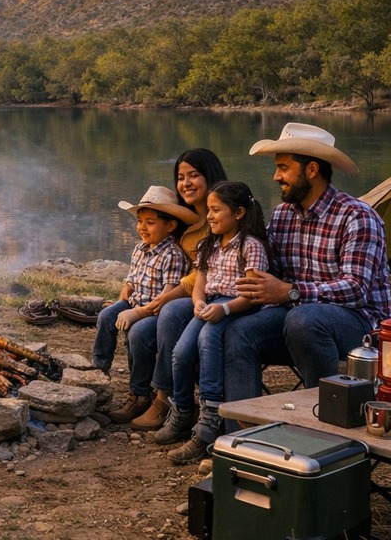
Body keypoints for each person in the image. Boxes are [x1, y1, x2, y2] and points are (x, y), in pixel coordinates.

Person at [223, 122, 391, 407]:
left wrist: (290, 291)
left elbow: (356, 290)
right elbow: (272, 272)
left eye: (283, 168)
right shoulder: (283, 214)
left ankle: (328, 412)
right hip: (296, 319)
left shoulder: (357, 216)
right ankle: (241, 426)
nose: (276, 176)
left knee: (304, 319)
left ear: (312, 170)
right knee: (239, 331)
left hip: (362, 325)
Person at [157, 181, 274, 463]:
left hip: (236, 306)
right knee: (181, 353)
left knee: (207, 340)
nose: (209, 216)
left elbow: (253, 296)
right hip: (210, 303)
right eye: (208, 210)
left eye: (216, 210)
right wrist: (198, 302)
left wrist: (225, 309)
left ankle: (209, 420)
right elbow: (199, 285)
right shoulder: (207, 244)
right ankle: (183, 410)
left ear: (239, 213)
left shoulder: (251, 246)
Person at [129, 148, 228, 432]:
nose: (185, 183)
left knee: (171, 311)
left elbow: (207, 267)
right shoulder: (185, 220)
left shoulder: (221, 215)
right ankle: (140, 394)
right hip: (184, 295)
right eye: (181, 177)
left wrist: (169, 295)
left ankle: (167, 398)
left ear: (210, 176)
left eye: (193, 175)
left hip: (210, 295)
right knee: (139, 331)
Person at [93, 185, 199, 423]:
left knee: (138, 333)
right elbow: (131, 280)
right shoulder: (140, 248)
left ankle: (139, 394)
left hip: (155, 310)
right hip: (135, 302)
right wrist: (124, 295)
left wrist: (136, 313)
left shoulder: (172, 254)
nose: (142, 227)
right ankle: (98, 370)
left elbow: (167, 297)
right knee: (105, 316)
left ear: (170, 226)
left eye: (150, 222)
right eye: (140, 221)